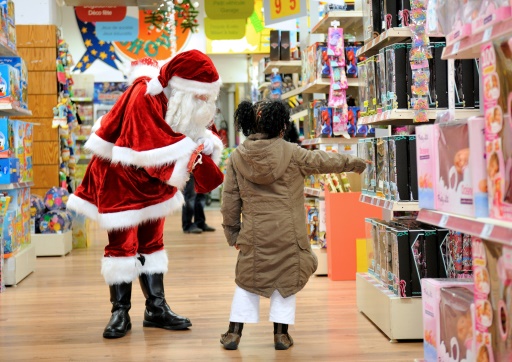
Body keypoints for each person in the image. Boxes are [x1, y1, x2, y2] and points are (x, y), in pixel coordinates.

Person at [66, 51, 225, 339]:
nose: (204, 103)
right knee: (123, 245)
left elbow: (197, 130)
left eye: (207, 96)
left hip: (155, 182)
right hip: (120, 177)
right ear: (182, 86)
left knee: (153, 242)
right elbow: (145, 147)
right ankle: (120, 311)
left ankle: (156, 309)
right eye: (200, 96)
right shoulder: (144, 93)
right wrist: (189, 155)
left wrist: (205, 144)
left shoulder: (182, 100)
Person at [220, 100, 367, 350]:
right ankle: (281, 335)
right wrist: (354, 163)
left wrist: (233, 233)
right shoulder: (293, 153)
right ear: (280, 125)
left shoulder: (236, 158)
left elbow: (229, 201)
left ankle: (234, 333)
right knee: (286, 283)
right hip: (289, 234)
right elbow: (323, 161)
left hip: (254, 234)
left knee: (247, 281)